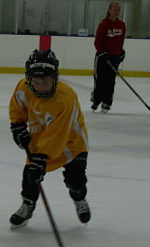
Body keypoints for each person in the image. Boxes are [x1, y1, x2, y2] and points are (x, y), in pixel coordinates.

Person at [8, 49, 90, 229]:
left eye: (45, 81)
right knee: (29, 176)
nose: (40, 86)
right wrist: (18, 126)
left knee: (75, 181)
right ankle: (28, 205)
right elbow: (17, 108)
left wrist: (41, 157)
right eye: (35, 82)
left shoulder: (65, 98)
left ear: (55, 78)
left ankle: (79, 198)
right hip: (40, 143)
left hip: (72, 144)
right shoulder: (23, 88)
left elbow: (58, 134)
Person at [91, 2, 126, 113]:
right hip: (102, 57)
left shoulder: (122, 25)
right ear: (109, 10)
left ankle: (107, 102)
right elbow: (97, 42)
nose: (116, 12)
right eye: (115, 9)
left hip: (114, 57)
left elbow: (120, 41)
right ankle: (96, 100)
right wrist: (102, 52)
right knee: (100, 80)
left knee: (110, 82)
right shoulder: (104, 24)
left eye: (118, 9)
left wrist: (121, 52)